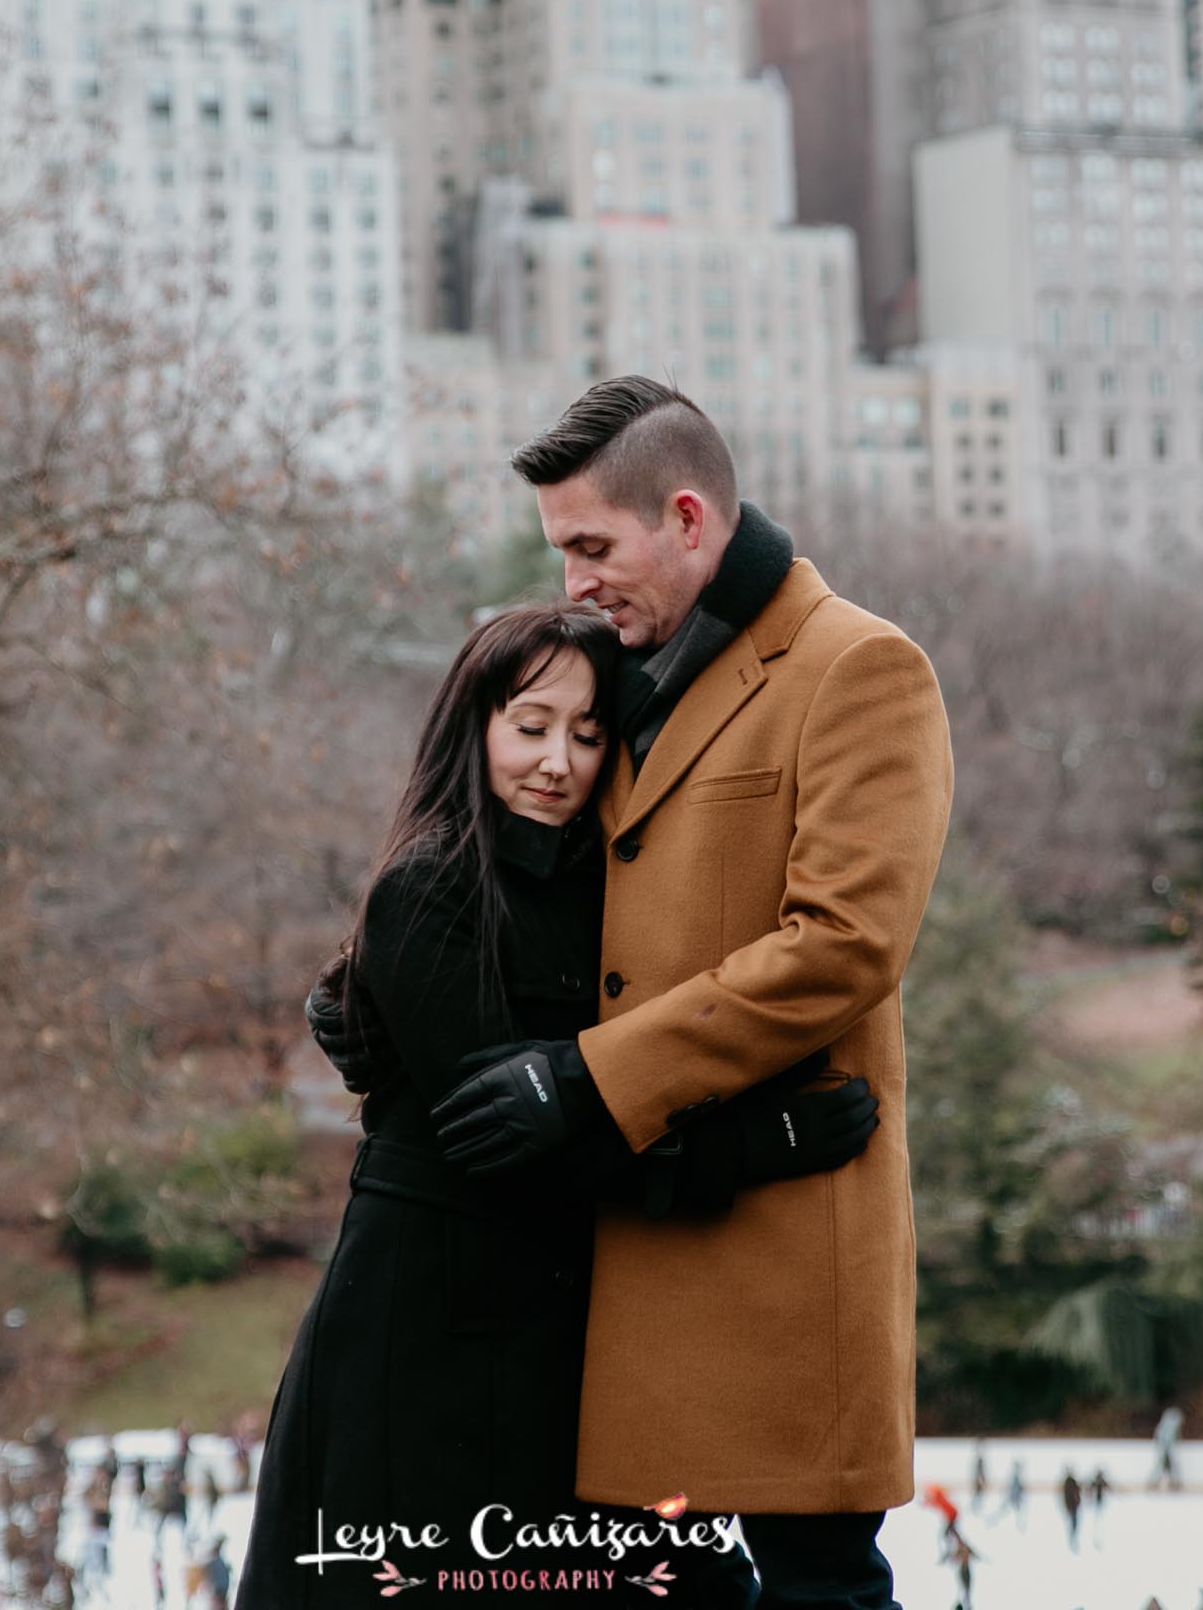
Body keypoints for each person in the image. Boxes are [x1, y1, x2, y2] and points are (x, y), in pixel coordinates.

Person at [418, 377, 956, 1609]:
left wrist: (591, 1082)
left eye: (593, 548)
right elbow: (526, 855)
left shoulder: (860, 668)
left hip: (779, 1260)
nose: (575, 584)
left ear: (689, 518)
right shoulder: (617, 673)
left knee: (822, 1588)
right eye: (561, 554)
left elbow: (845, 945)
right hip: (630, 1242)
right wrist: (383, 985)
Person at [251, 604, 887, 1607]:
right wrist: (758, 1143)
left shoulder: (620, 897)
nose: (557, 761)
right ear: (475, 725)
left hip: (580, 1333)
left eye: (589, 734)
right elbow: (512, 1143)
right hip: (432, 1333)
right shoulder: (428, 890)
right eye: (530, 724)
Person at [1152, 1405, 1185, 1492]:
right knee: (1162, 1466)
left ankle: (1173, 1482)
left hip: (1167, 1449)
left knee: (1168, 1466)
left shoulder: (1168, 1425)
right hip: (1165, 1449)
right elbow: (1163, 1437)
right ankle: (1155, 1482)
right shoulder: (1168, 1425)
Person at [1058, 1468, 1084, 1552]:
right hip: (1072, 1507)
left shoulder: (1070, 1481)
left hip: (1073, 1507)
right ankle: (1072, 1541)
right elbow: (1069, 1495)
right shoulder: (1069, 1482)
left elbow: (1076, 1492)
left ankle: (1072, 1540)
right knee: (1073, 1525)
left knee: (1074, 1525)